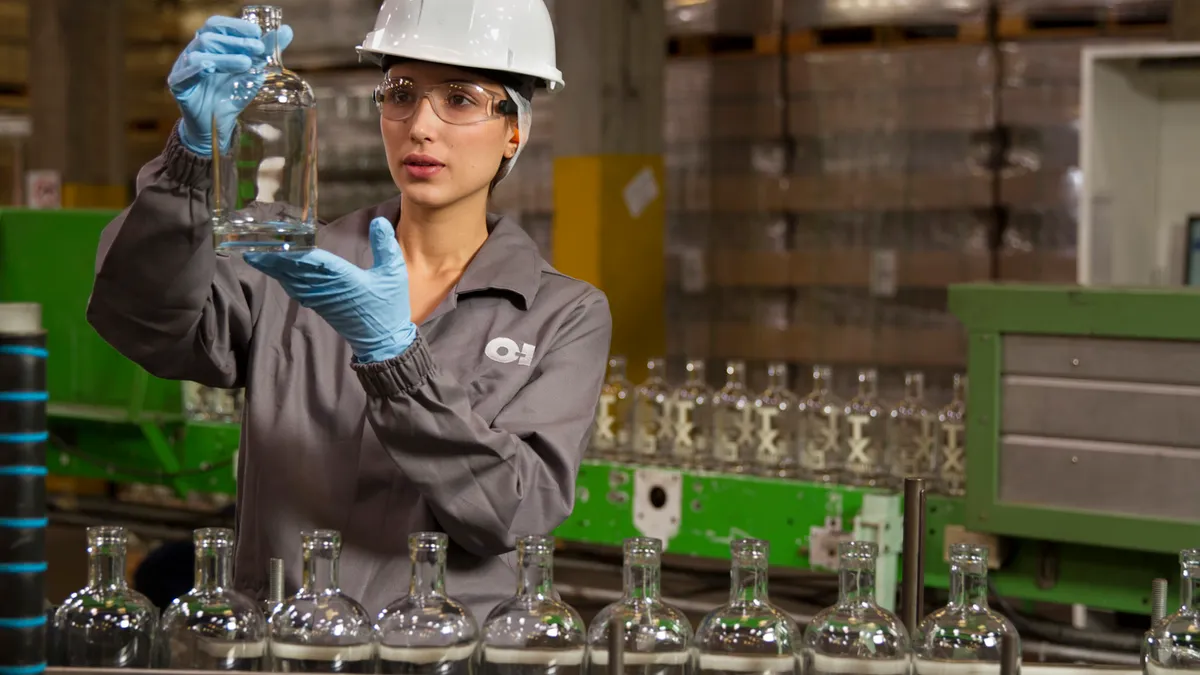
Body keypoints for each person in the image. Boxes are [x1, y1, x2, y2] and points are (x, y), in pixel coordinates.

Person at [86, 0, 611, 621]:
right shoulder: (294, 266)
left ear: (514, 128)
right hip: (280, 646)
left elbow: (514, 513)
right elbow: (144, 321)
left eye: (461, 99)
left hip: (435, 657)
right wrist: (191, 161)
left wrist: (396, 358)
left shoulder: (562, 314)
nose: (421, 126)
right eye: (401, 93)